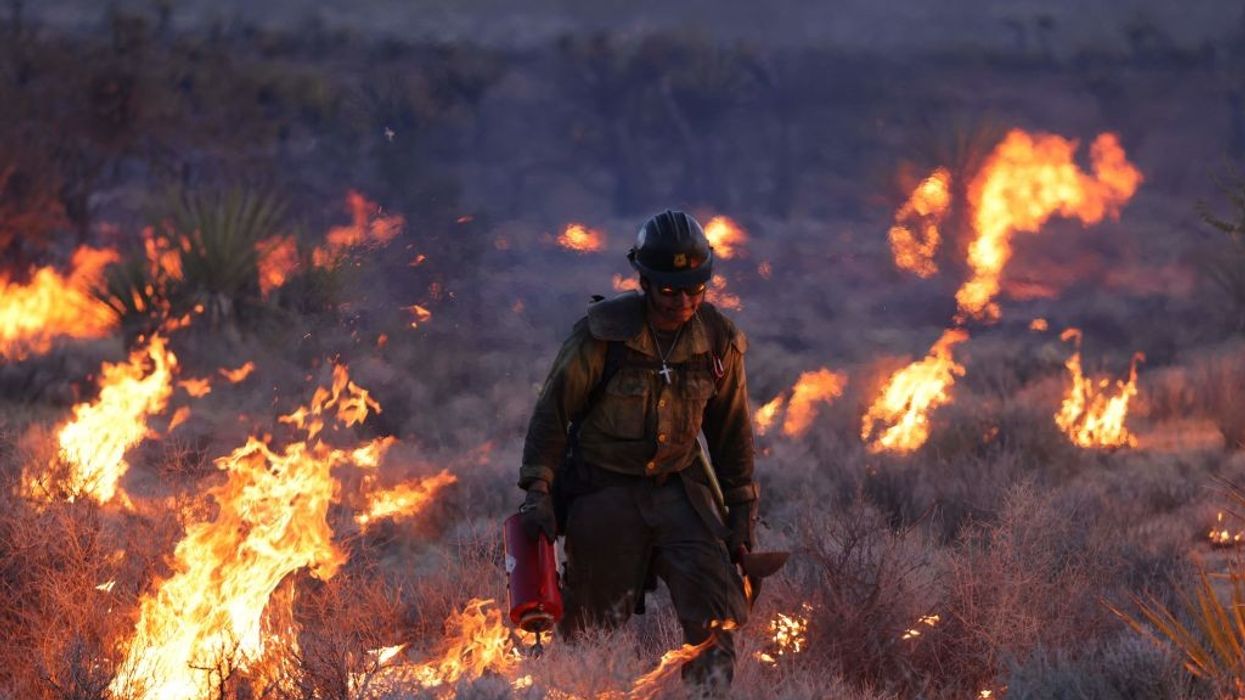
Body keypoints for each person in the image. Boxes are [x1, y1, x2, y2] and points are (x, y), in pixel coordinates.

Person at [517, 209, 759, 685]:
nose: (683, 301)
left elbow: (732, 432)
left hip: (679, 490)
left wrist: (742, 510)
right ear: (645, 282)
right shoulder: (601, 334)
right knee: (590, 630)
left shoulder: (718, 339)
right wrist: (538, 490)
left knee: (716, 614)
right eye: (669, 290)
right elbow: (553, 413)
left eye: (694, 289)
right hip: (604, 489)